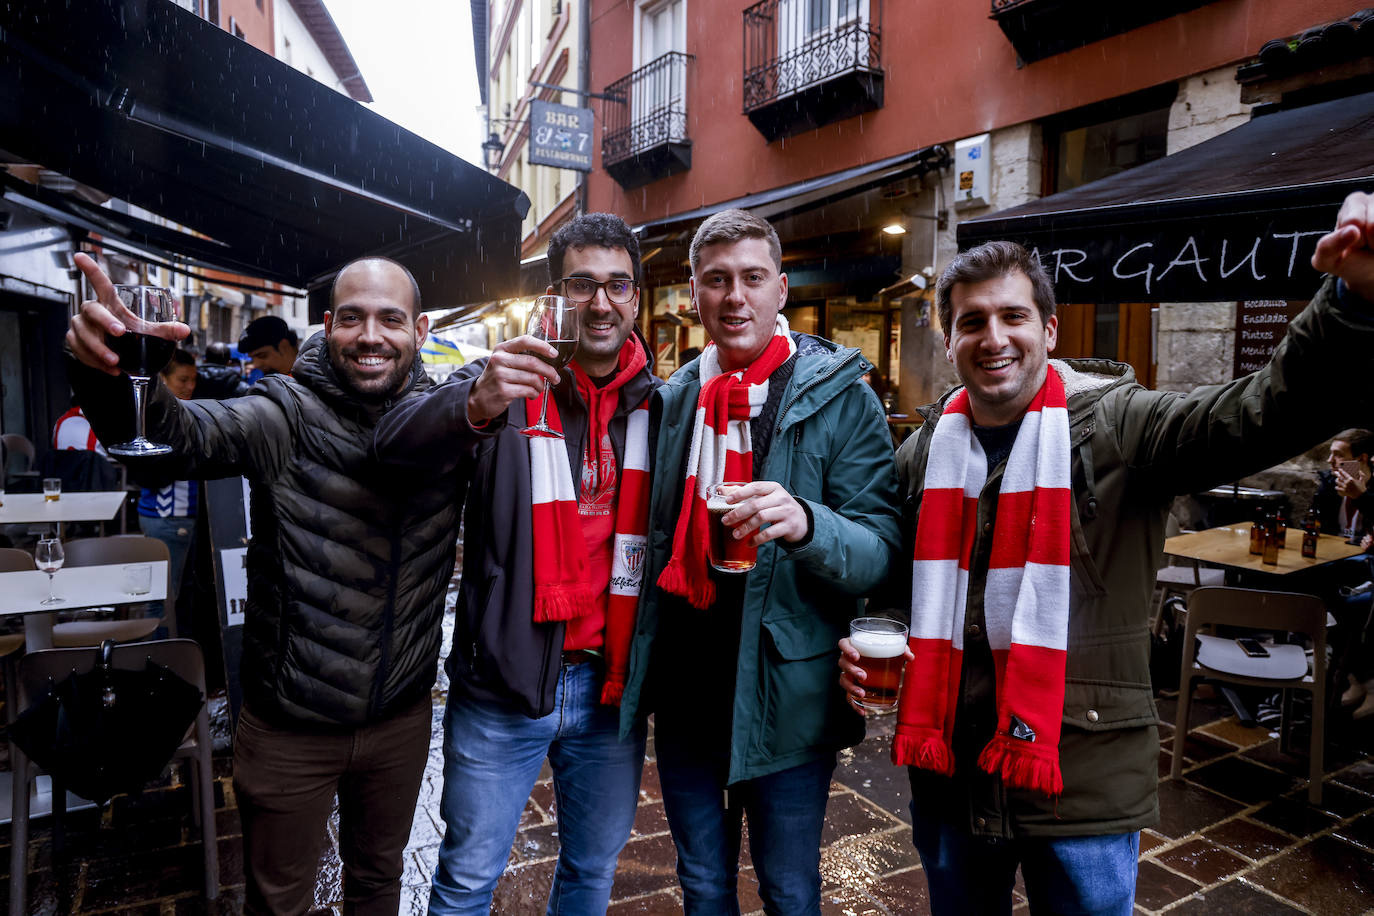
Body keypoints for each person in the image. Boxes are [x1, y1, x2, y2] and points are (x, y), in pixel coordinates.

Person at [838, 190, 1374, 916]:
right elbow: (897, 579)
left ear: (1049, 330)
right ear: (948, 340)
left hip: (1080, 780)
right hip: (954, 777)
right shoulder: (923, 453)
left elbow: (1260, 414)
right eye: (971, 322)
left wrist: (1347, 300)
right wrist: (888, 631)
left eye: (1012, 316)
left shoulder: (1122, 425)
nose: (993, 337)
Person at [66, 251, 457, 916]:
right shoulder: (282, 413)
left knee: (377, 885)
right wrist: (107, 374)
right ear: (326, 326)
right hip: (291, 729)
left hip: (400, 720)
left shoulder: (450, 420)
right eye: (353, 318)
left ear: (420, 332)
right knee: (279, 905)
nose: (370, 336)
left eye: (391, 319)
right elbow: (178, 435)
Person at [373, 213, 659, 915]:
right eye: (583, 284)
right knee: (468, 880)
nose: (601, 302)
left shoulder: (659, 405)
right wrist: (475, 400)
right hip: (503, 684)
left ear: (637, 297)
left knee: (592, 873)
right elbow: (392, 447)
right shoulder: (506, 379)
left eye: (617, 285)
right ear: (556, 295)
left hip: (609, 692)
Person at [616, 209, 901, 914]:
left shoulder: (842, 398)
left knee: (789, 890)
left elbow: (880, 556)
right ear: (693, 293)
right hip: (687, 695)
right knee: (703, 886)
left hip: (787, 701)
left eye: (751, 278)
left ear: (780, 287)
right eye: (716, 281)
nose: (734, 297)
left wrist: (808, 522)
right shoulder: (675, 399)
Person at [136, 349, 199, 635]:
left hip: (168, 516)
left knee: (167, 598)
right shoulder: (163, 413)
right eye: (183, 379)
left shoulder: (162, 409)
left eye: (193, 380)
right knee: (162, 603)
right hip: (170, 517)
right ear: (163, 378)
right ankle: (156, 662)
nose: (190, 386)